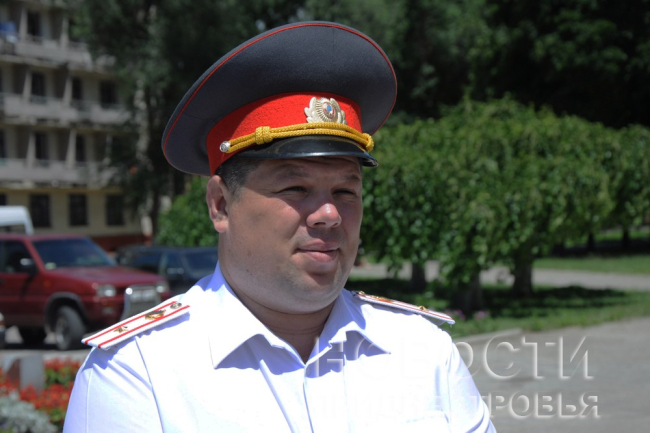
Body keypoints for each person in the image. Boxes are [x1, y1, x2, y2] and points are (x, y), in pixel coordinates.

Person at [63, 22, 496, 432]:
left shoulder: (422, 350)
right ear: (220, 205)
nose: (329, 214)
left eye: (345, 191)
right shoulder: (137, 371)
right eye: (295, 187)